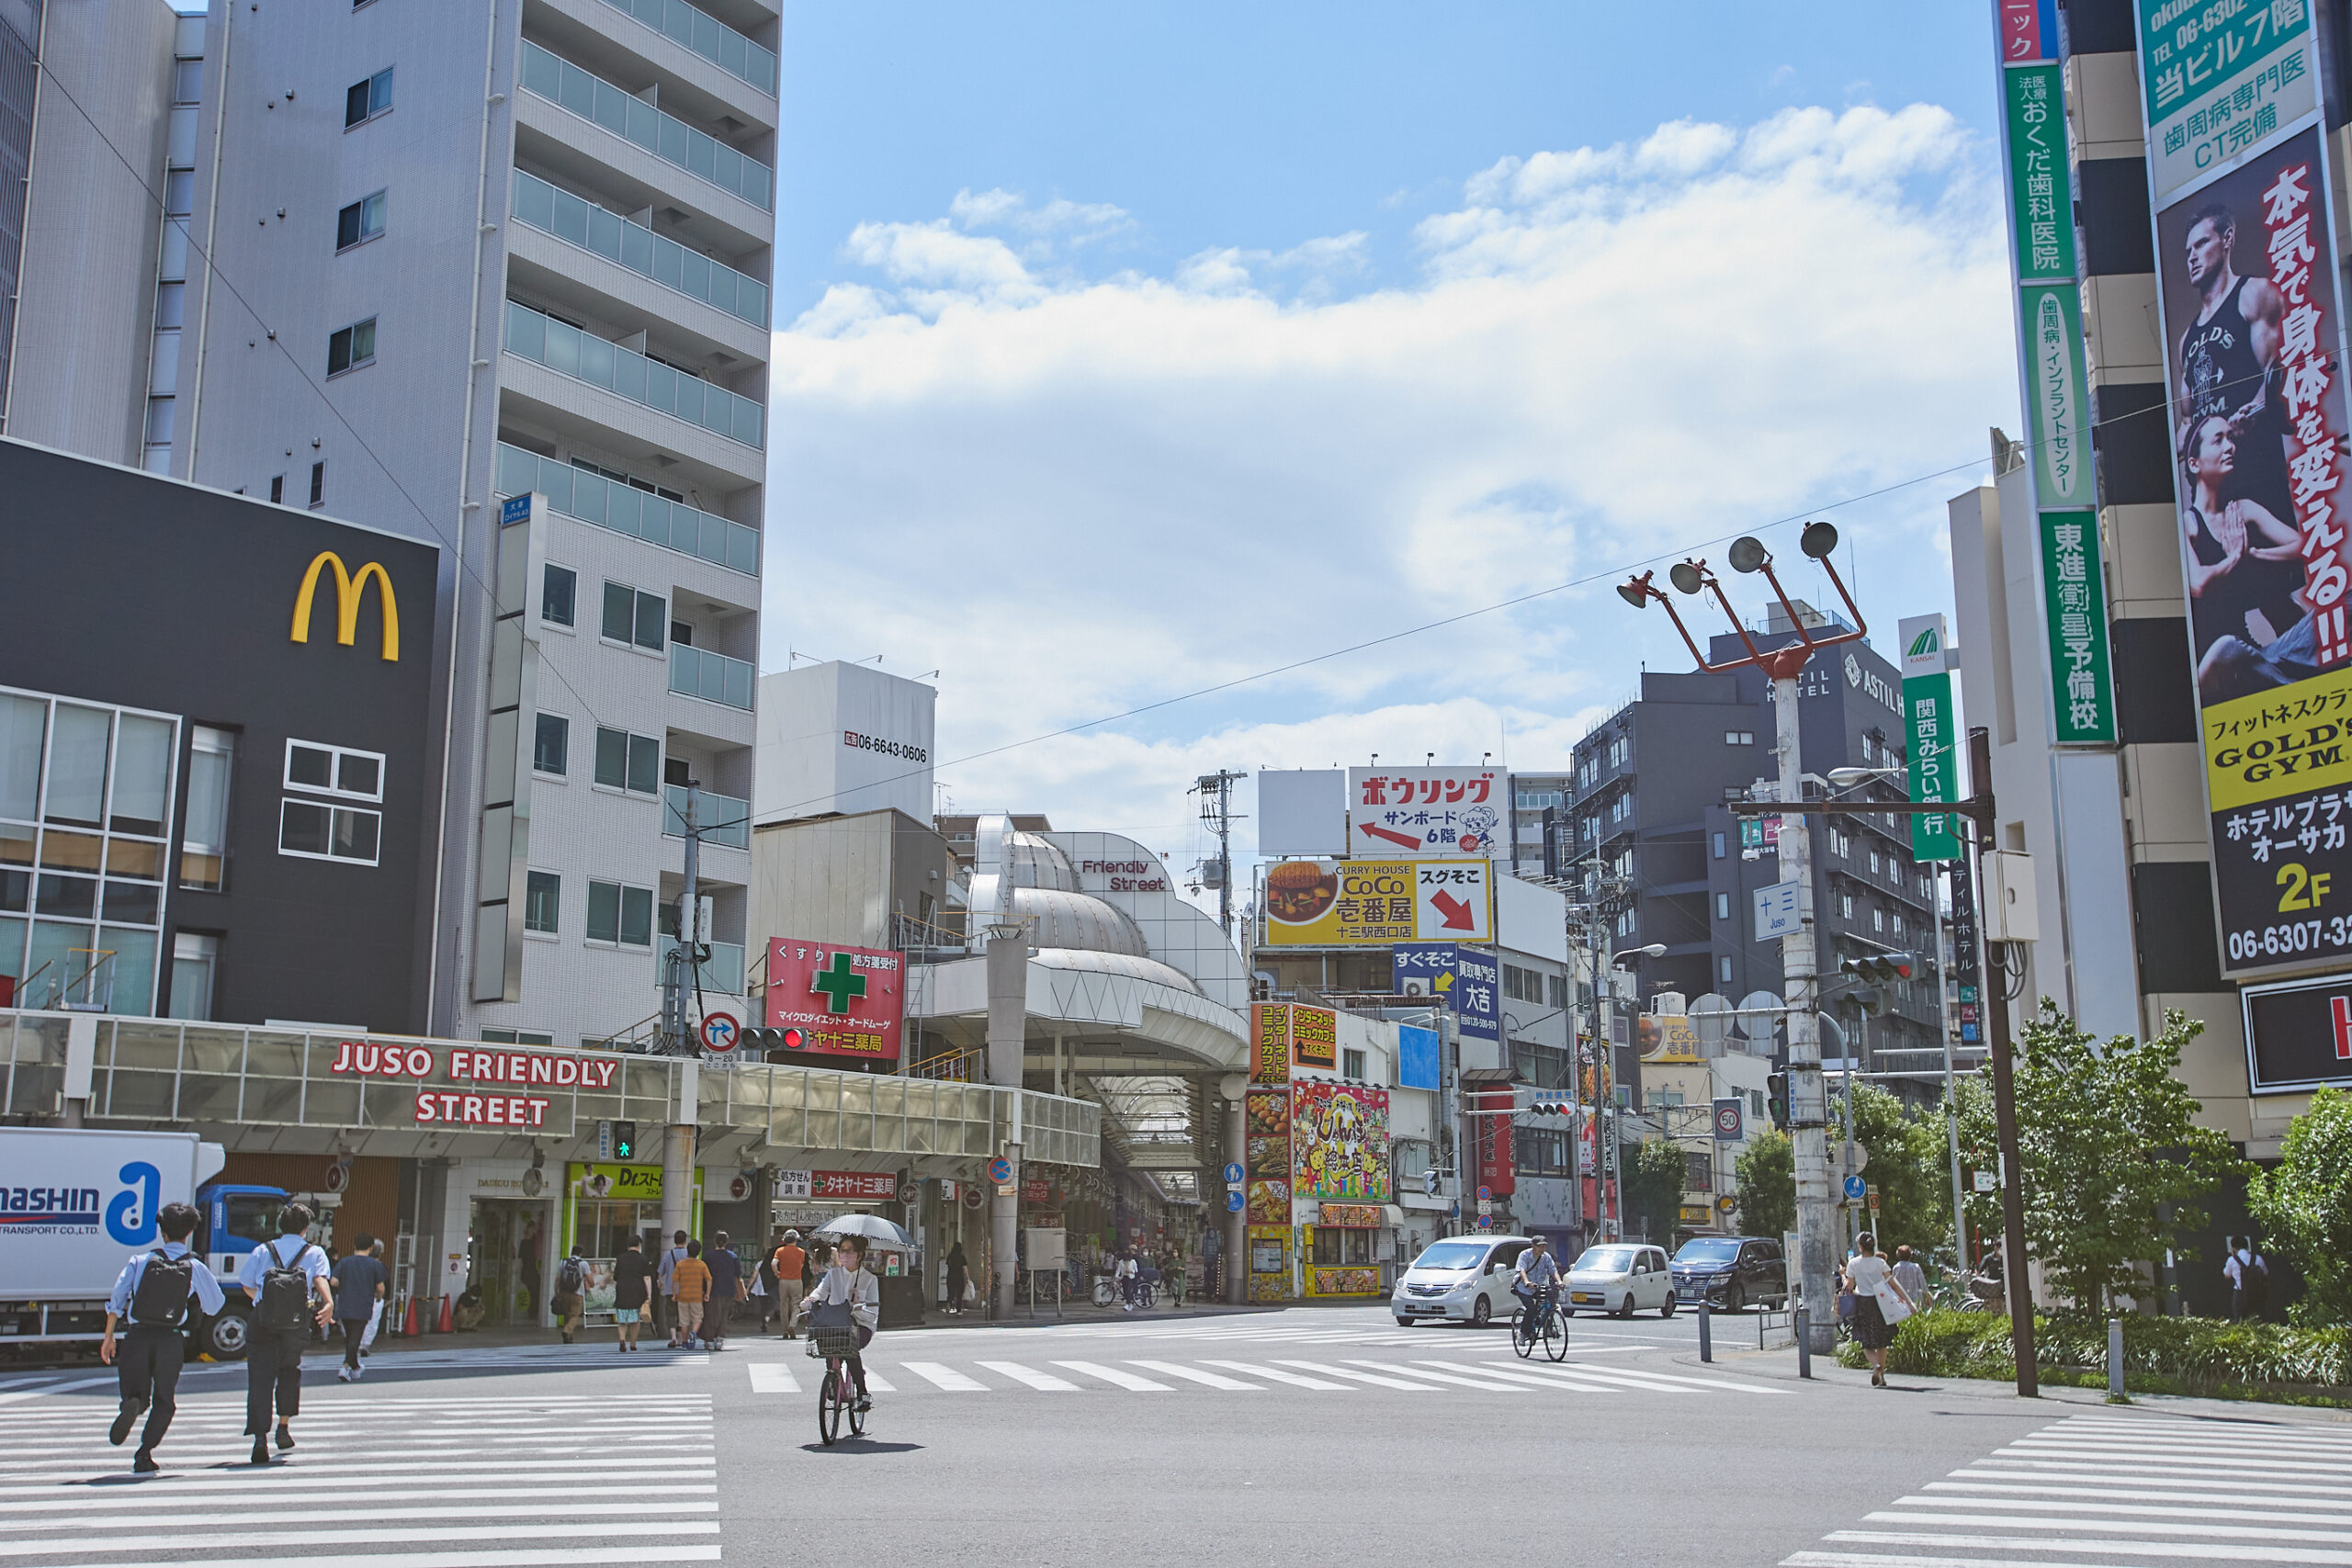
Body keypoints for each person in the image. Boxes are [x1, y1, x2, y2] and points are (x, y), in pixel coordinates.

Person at [2175, 200, 2291, 528]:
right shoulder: (2187, 339)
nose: (2192, 257)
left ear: (2227, 239)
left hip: (2258, 476)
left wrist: (2251, 413)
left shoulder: (2253, 294)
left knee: (2281, 573)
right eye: (2188, 251)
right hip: (2213, 501)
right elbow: (2187, 422)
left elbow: (2277, 378)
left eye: (2201, 244)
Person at [100, 1200, 225, 1473]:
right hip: (170, 1338)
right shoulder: (195, 1266)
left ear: (162, 1231)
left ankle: (133, 1402)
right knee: (165, 1400)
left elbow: (117, 1299)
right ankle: (144, 1453)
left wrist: (109, 1337)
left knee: (136, 1391)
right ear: (189, 1233)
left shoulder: (140, 1260)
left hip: (137, 1335)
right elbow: (215, 1305)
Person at [238, 1201, 334, 1465]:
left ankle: (259, 1438)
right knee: (289, 1370)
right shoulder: (314, 1252)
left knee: (260, 1377)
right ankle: (283, 1427)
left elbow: (246, 1284)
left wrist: (265, 1302)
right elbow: (320, 1280)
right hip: (296, 1320)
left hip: (263, 1320)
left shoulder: (262, 1250)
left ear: (280, 1226)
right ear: (306, 1228)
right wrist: (328, 1303)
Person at [801, 1233, 880, 1413]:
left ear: (859, 1254)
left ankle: (862, 1393)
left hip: (860, 1326)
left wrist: (858, 1306)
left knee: (849, 1345)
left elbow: (873, 1314)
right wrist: (810, 1299)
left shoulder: (870, 1279)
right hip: (836, 1323)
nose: (844, 1255)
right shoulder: (833, 1274)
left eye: (849, 1251)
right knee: (829, 1342)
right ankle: (833, 1380)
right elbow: (821, 1291)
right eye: (842, 1251)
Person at [1842, 1232, 1913, 1389]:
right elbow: (1893, 1284)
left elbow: (1850, 1287)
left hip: (1863, 1303)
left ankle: (1875, 1366)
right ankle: (1882, 1376)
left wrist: (1843, 1277)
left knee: (1866, 1342)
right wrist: (1909, 1302)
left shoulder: (1853, 1264)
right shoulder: (1880, 1263)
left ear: (1860, 1247)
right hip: (1881, 1303)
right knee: (1882, 1341)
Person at [330, 1231, 389, 1382]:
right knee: (355, 1338)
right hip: (362, 1305)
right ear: (371, 1248)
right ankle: (344, 1368)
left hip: (345, 1304)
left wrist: (347, 1284)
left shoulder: (345, 1262)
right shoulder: (375, 1265)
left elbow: (333, 1282)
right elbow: (381, 1288)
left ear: (354, 1245)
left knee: (350, 1338)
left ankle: (355, 1367)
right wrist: (378, 1297)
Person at [1512, 1235, 1561, 1330]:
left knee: (1550, 1304)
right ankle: (1523, 1332)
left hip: (1538, 1286)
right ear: (1533, 1246)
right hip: (1523, 1288)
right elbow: (1521, 1270)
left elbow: (1553, 1270)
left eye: (1544, 1246)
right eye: (1539, 1246)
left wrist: (1559, 1281)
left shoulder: (1546, 1257)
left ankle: (1548, 1328)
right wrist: (1527, 1282)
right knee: (1531, 1308)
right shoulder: (1524, 1255)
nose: (1542, 1249)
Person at [613, 1235, 651, 1352]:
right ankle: (633, 1343)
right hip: (637, 1290)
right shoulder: (643, 1259)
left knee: (622, 1320)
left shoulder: (620, 1259)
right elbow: (647, 1278)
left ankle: (622, 1339)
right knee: (635, 1320)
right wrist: (649, 1295)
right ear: (639, 1245)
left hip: (622, 1289)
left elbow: (616, 1277)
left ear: (628, 1245)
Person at [672, 1238, 712, 1348]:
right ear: (698, 1252)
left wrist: (674, 1294)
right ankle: (693, 1333)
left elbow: (675, 1280)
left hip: (683, 1296)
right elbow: (709, 1279)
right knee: (697, 1318)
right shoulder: (702, 1265)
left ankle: (684, 1342)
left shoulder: (680, 1264)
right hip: (697, 1296)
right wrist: (707, 1293)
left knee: (684, 1321)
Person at [704, 1232, 741, 1349]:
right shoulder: (732, 1257)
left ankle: (709, 1340)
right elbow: (738, 1275)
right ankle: (720, 1339)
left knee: (711, 1315)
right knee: (724, 1315)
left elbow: (703, 1275)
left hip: (712, 1290)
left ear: (714, 1241)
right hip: (729, 1289)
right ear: (726, 1242)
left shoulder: (708, 1256)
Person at [2224, 1236, 2270, 1321]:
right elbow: (2265, 1273)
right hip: (2256, 1293)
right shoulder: (2258, 1258)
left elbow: (2227, 1275)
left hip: (2239, 1294)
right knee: (2257, 1320)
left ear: (2233, 1248)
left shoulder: (2231, 1260)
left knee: (2239, 1321)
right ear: (2247, 1246)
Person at [772, 1230, 808, 1338]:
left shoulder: (780, 1250)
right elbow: (801, 1266)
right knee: (796, 1304)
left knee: (783, 1305)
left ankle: (785, 1330)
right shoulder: (801, 1252)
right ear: (796, 1240)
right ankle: (793, 1324)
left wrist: (777, 1273)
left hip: (783, 1281)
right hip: (796, 1280)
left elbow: (773, 1263)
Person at [358, 1238, 389, 1358]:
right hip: (374, 1297)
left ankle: (357, 1343)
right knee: (372, 1322)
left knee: (359, 1321)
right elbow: (382, 1286)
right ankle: (365, 1345)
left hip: (360, 1296)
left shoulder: (361, 1264)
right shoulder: (380, 1266)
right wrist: (381, 1298)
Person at [658, 1230, 689, 1348]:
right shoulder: (688, 1254)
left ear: (675, 1240)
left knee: (670, 1313)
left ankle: (673, 1337)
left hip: (670, 1290)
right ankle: (681, 1339)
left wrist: (660, 1282)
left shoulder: (667, 1254)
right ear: (685, 1240)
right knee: (683, 1314)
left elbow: (660, 1272)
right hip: (685, 1290)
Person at [551, 1247, 587, 1344]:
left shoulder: (563, 1262)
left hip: (564, 1292)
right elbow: (590, 1280)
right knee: (575, 1315)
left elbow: (557, 1279)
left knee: (567, 1315)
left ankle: (569, 1337)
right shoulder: (583, 1264)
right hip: (577, 1294)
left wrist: (556, 1292)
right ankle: (566, 1331)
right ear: (581, 1254)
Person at [518, 1220, 543, 1322]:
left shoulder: (536, 1241)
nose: (533, 1230)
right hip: (527, 1269)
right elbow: (520, 1259)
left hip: (534, 1269)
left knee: (535, 1291)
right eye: (531, 1228)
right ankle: (531, 1312)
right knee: (531, 1291)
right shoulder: (524, 1242)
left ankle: (533, 1312)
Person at [1891, 1245, 1928, 1311]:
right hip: (1915, 1299)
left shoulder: (1896, 1268)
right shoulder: (1915, 1267)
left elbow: (1893, 1285)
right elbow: (1923, 1284)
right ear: (1910, 1255)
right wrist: (1927, 1296)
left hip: (1901, 1300)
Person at [944, 1240, 968, 1317]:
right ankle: (959, 1310)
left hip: (950, 1276)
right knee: (959, 1294)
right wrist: (967, 1277)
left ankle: (949, 1303)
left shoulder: (950, 1257)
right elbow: (964, 1268)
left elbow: (948, 1265)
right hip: (959, 1277)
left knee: (951, 1292)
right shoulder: (962, 1257)